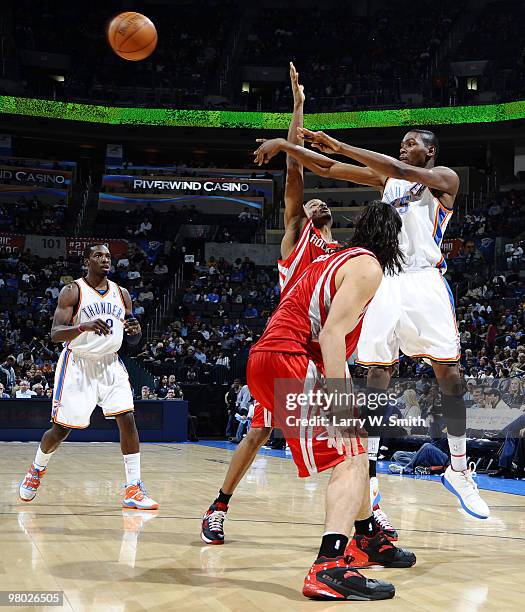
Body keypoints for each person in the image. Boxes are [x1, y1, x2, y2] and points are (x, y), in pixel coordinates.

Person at [201, 64, 397, 546]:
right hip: (293, 352)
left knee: (291, 437)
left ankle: (364, 524)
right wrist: (297, 110)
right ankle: (222, 506)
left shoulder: (343, 256)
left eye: (321, 206)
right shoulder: (297, 241)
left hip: (300, 357)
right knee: (279, 439)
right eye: (309, 205)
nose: (316, 206)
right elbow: (294, 170)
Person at [254, 125, 489, 520]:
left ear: (430, 151)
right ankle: (372, 473)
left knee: (449, 373)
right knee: (378, 374)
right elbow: (328, 169)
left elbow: (398, 167)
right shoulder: (388, 179)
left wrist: (343, 144)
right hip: (386, 278)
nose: (404, 146)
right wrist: (287, 146)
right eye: (403, 143)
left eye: (412, 143)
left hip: (424, 280)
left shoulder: (444, 178)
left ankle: (460, 469)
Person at [248, 201, 411, 601]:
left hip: (267, 360)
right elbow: (332, 336)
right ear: (395, 240)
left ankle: (368, 536)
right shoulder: (367, 266)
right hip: (291, 360)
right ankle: (329, 566)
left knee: (350, 451)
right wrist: (341, 404)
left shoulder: (333, 258)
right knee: (352, 454)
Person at [19, 244, 158, 510]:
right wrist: (82, 326)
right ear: (87, 261)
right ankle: (37, 469)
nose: (105, 259)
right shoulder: (73, 290)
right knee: (61, 430)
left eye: (108, 256)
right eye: (99, 255)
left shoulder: (123, 293)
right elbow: (56, 333)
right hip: (78, 364)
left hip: (110, 363)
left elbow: (134, 339)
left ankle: (134, 487)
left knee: (127, 419)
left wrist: (134, 331)